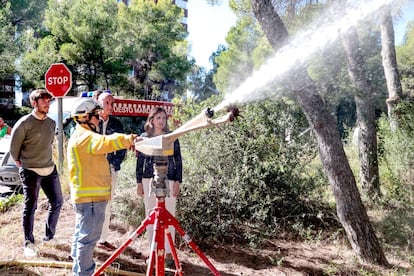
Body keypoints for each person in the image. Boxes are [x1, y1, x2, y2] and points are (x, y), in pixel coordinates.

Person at [67, 97, 137, 276]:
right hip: (91, 199)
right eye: (96, 116)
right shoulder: (86, 137)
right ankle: (83, 273)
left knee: (81, 235)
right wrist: (129, 139)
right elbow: (106, 142)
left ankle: (79, 269)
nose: (99, 119)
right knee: (88, 239)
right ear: (85, 117)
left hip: (86, 197)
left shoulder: (79, 135)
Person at [9, 89, 64, 257]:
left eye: (49, 101)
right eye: (44, 101)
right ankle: (28, 242)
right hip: (30, 170)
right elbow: (13, 149)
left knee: (57, 202)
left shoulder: (51, 123)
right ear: (34, 103)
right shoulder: (24, 123)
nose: (47, 104)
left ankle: (49, 237)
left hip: (49, 168)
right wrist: (23, 164)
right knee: (30, 206)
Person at [135, 107, 182, 266]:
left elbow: (178, 160)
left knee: (169, 214)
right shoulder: (144, 137)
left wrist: (178, 181)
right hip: (149, 179)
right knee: (151, 215)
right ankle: (153, 251)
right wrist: (139, 182)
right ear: (152, 120)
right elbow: (140, 161)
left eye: (164, 118)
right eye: (158, 118)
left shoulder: (171, 137)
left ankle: (168, 253)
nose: (162, 121)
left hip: (169, 178)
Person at [96, 91, 127, 251]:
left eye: (112, 103)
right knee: (91, 204)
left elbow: (122, 146)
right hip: (92, 170)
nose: (110, 106)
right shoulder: (91, 121)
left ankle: (102, 238)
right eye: (106, 102)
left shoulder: (116, 124)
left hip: (109, 169)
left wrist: (114, 164)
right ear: (98, 103)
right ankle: (90, 238)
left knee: (108, 204)